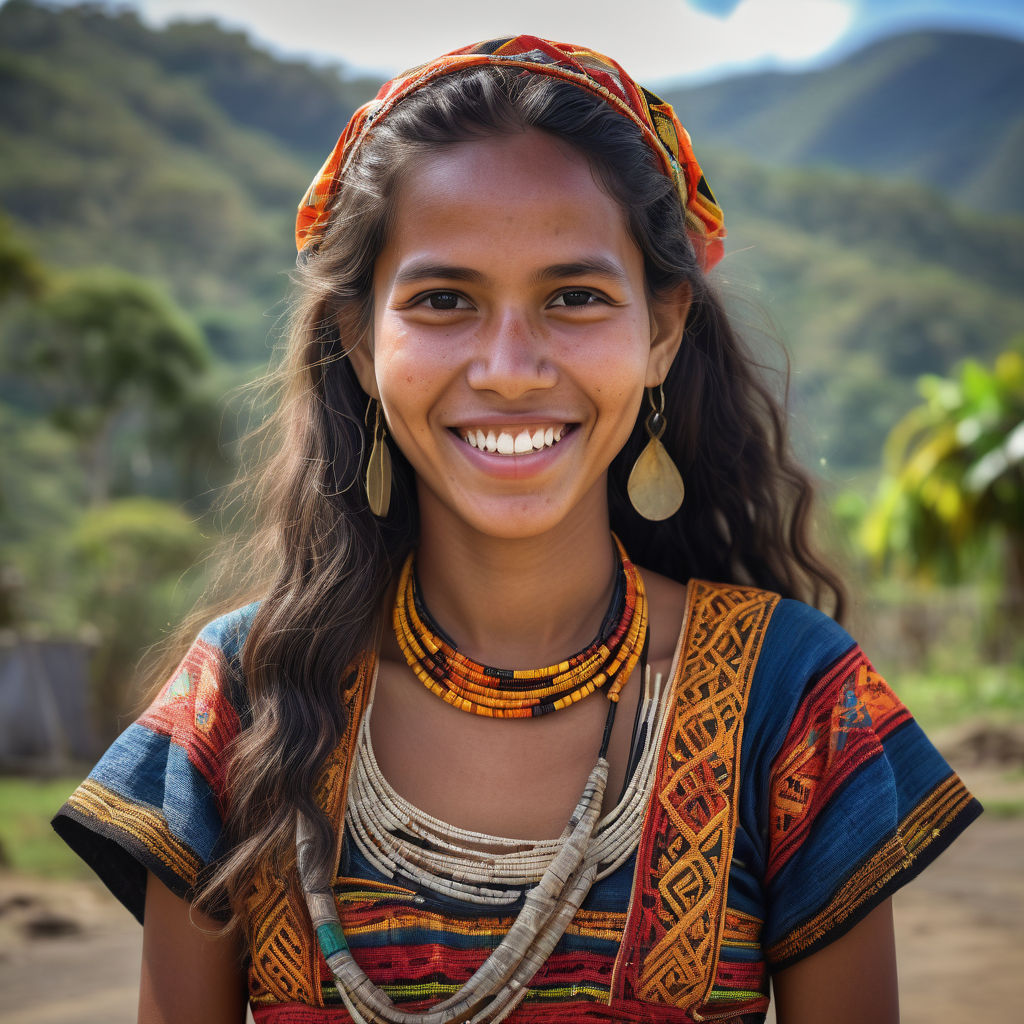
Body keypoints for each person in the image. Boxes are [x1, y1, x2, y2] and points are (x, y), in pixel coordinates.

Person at [53, 35, 981, 1024]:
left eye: (573, 297)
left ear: (661, 330)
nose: (507, 366)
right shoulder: (238, 700)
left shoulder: (787, 699)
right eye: (443, 299)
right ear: (362, 342)